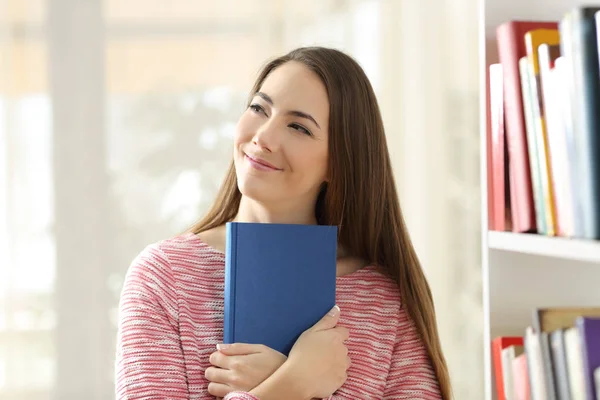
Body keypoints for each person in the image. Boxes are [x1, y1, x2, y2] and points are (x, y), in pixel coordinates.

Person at [115, 46, 452, 400]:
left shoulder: (382, 299)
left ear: (338, 163)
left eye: (298, 127)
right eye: (259, 109)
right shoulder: (164, 277)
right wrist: (293, 384)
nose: (263, 137)